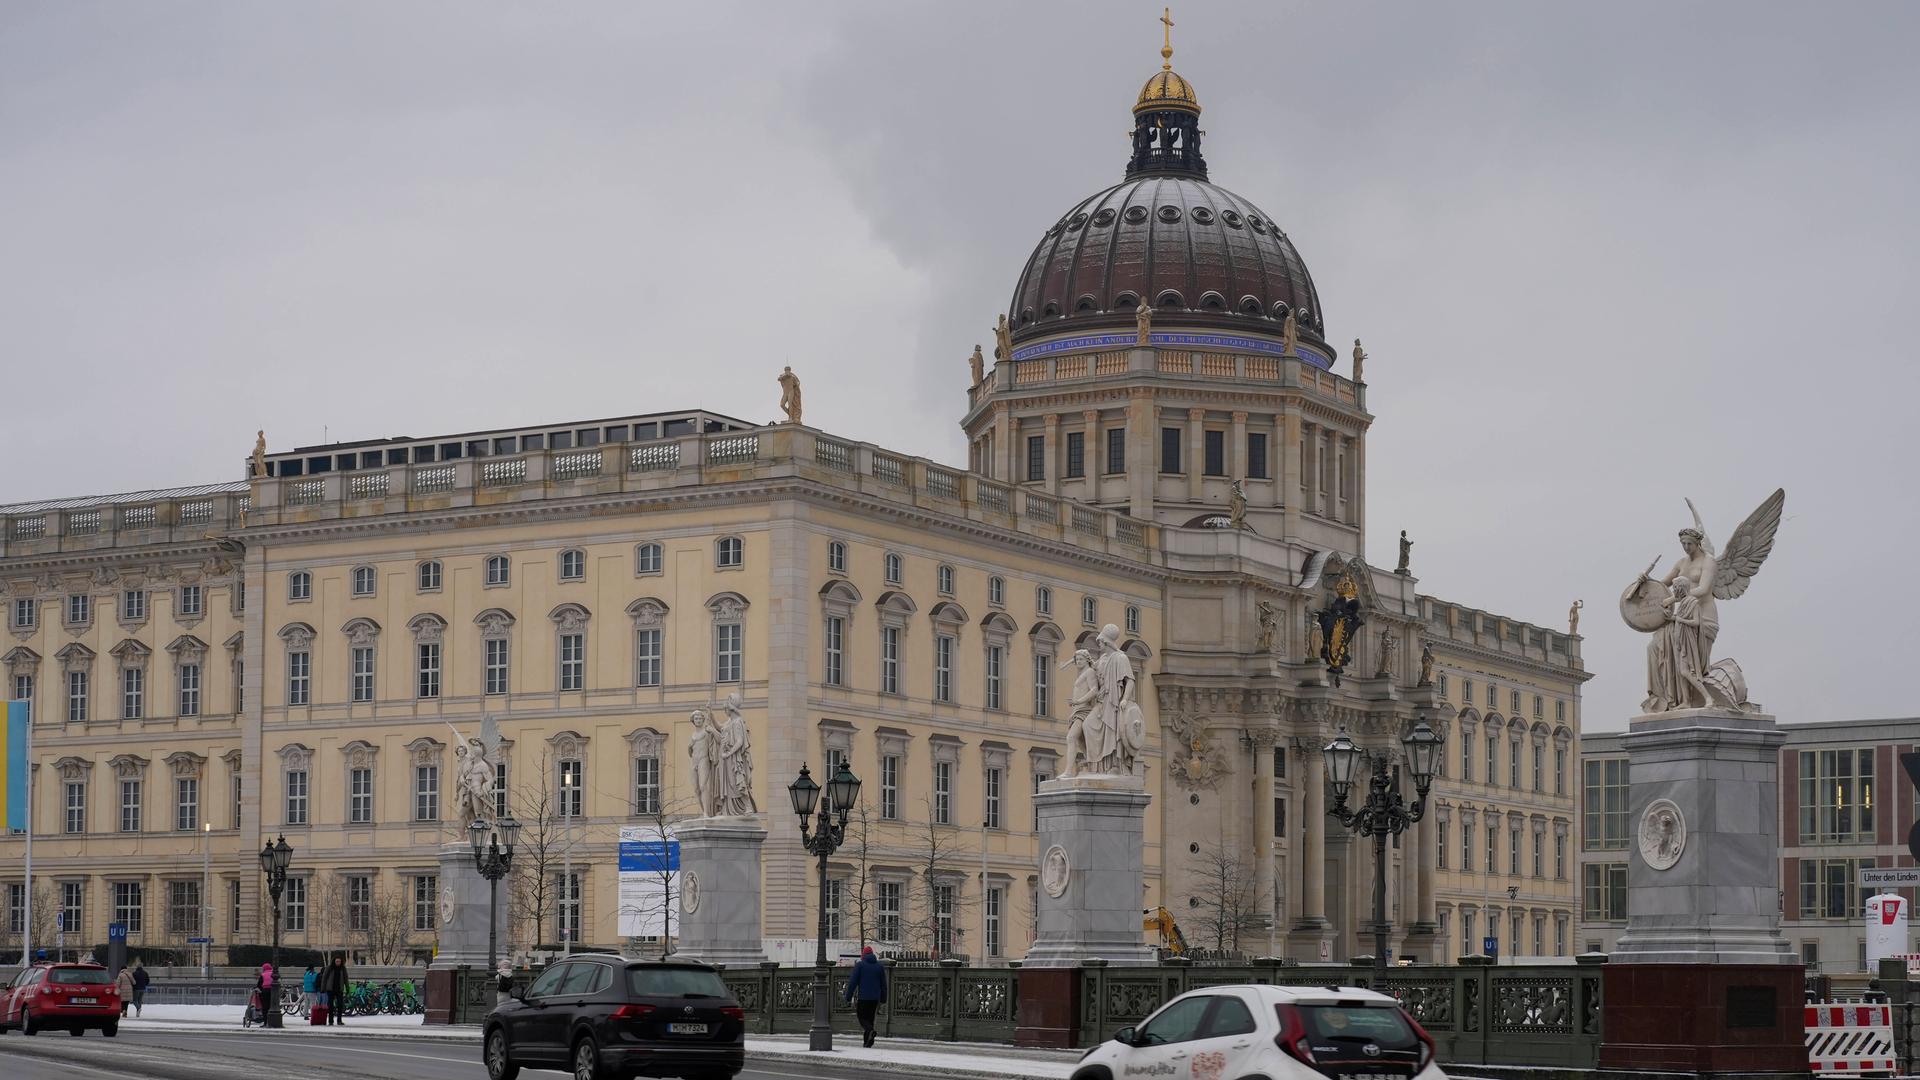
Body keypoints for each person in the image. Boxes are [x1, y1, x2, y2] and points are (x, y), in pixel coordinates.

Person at [843, 946, 888, 1048]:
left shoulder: (860, 966)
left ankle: (870, 1032)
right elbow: (884, 985)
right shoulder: (879, 967)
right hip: (875, 999)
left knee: (862, 1017)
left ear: (863, 955)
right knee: (870, 1019)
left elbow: (853, 983)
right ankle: (867, 1043)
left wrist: (848, 997)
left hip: (863, 997)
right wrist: (883, 999)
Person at [316, 953, 350, 1025]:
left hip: (339, 989)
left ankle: (339, 1020)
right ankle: (331, 1021)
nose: (338, 963)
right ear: (334, 961)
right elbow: (324, 978)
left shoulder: (343, 969)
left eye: (339, 961)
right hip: (330, 989)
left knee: (340, 1005)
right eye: (337, 961)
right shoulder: (329, 968)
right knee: (330, 1006)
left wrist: (347, 988)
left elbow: (346, 979)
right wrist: (323, 988)